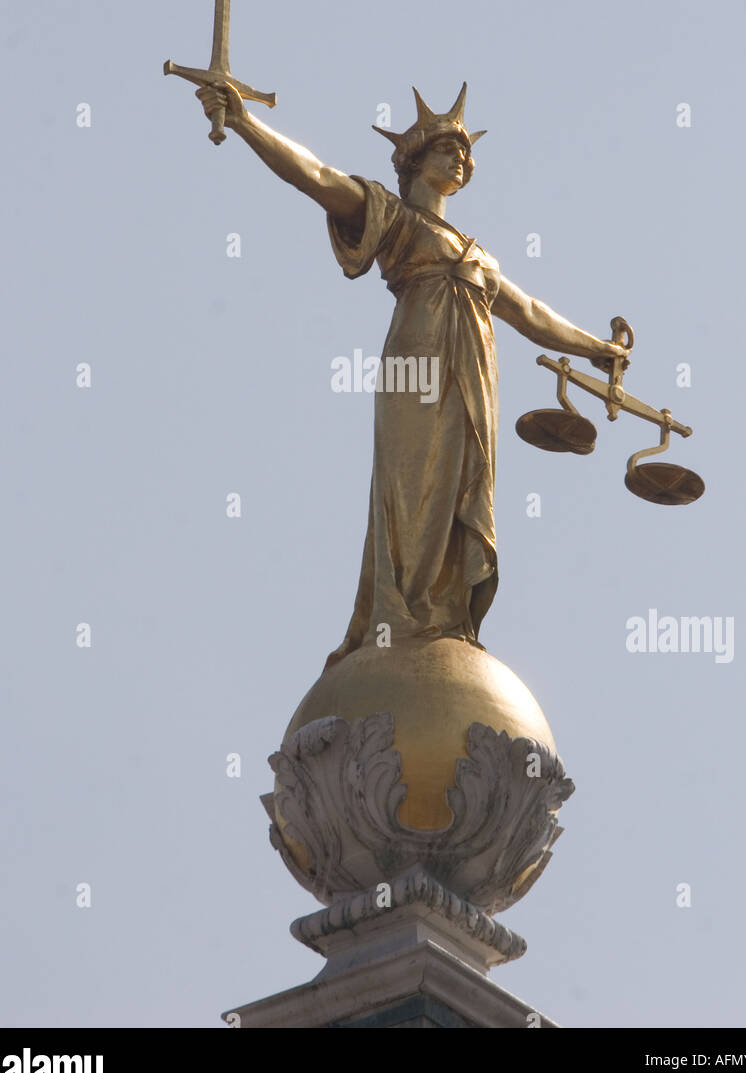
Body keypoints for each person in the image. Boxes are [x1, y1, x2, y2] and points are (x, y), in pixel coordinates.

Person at [196, 81, 630, 666]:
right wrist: (246, 123)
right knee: (412, 485)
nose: (461, 159)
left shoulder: (480, 256)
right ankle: (401, 611)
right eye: (446, 150)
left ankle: (445, 612)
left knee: (459, 481)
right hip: (416, 364)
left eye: (464, 153)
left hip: (473, 372)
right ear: (413, 161)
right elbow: (316, 178)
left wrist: (594, 348)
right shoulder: (396, 217)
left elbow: (527, 312)